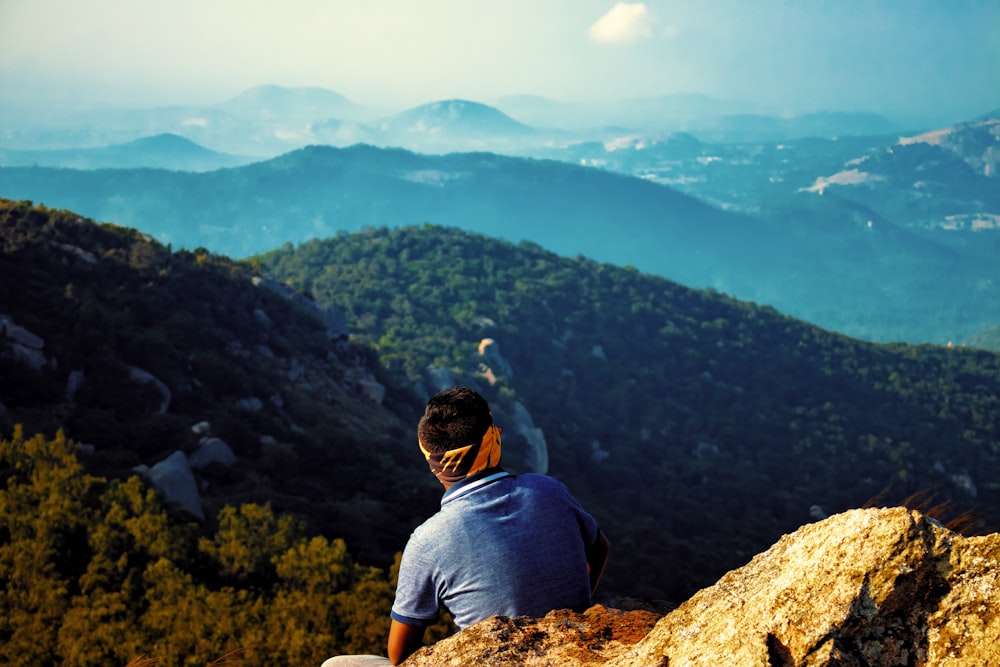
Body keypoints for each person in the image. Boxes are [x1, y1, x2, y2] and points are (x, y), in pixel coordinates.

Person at [322, 386, 610, 666]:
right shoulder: (548, 489)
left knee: (337, 665)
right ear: (494, 439)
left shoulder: (428, 540)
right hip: (571, 644)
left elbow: (399, 655)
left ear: (430, 460)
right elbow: (600, 549)